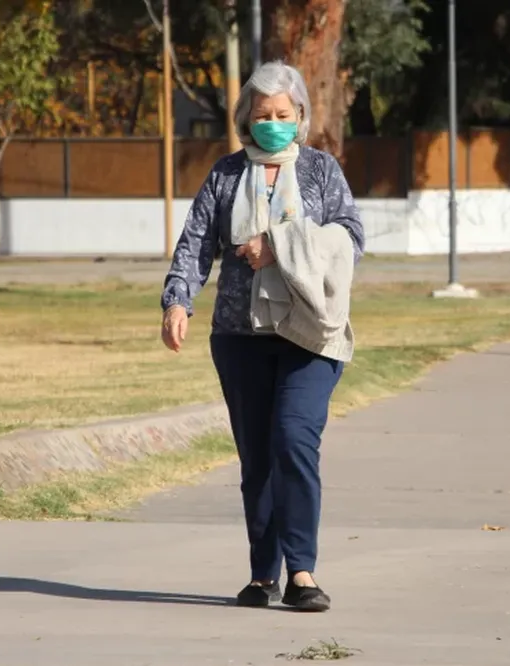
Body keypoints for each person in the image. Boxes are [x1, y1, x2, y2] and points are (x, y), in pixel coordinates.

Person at [159, 60, 365, 613]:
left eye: (282, 113)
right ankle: (261, 574)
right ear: (245, 120)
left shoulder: (322, 171)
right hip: (239, 335)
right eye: (261, 114)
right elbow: (196, 242)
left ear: (300, 116)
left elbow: (350, 238)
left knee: (294, 440)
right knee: (257, 457)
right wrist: (178, 300)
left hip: (309, 334)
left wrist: (279, 244)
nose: (272, 122)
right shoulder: (226, 175)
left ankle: (302, 572)